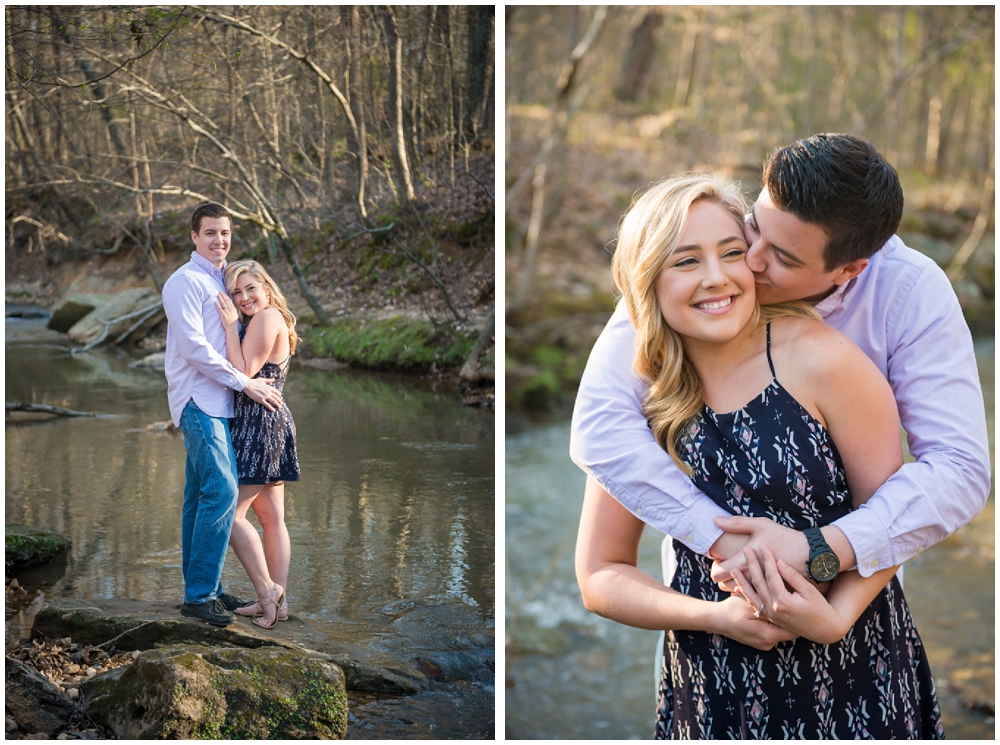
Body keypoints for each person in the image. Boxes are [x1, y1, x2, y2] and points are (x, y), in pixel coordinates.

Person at [575, 174, 942, 738]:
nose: (717, 278)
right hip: (711, 682)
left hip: (850, 667)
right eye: (686, 262)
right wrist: (715, 618)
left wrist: (832, 619)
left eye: (731, 253)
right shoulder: (640, 402)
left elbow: (893, 516)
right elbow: (601, 575)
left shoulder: (826, 361)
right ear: (644, 281)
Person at [570, 133, 989, 594]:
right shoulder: (703, 275)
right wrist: (718, 538)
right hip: (707, 598)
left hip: (852, 593)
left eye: (782, 258)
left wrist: (821, 552)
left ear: (850, 269)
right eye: (754, 228)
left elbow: (959, 469)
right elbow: (600, 424)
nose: (748, 260)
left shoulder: (908, 293)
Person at [162, 202, 283, 627]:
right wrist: (245, 382)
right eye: (210, 233)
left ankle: (204, 589)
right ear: (194, 237)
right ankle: (199, 596)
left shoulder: (224, 278)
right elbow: (195, 350)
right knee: (222, 491)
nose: (219, 240)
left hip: (222, 403)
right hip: (199, 399)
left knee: (199, 497)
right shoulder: (184, 282)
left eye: (225, 233)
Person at [214, 260, 301, 629]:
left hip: (261, 426)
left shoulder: (266, 318)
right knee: (270, 518)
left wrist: (230, 326)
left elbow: (244, 370)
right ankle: (278, 602)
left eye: (250, 288)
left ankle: (268, 593)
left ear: (266, 287)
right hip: (264, 422)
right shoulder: (262, 320)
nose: (244, 297)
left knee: (230, 516)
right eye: (236, 292)